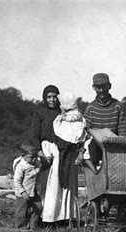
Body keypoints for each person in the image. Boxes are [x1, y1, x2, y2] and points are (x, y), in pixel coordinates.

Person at [29, 84, 79, 224]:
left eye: (54, 97)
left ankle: (64, 218)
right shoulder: (39, 113)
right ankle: (47, 217)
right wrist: (40, 152)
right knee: (49, 184)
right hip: (46, 150)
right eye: (48, 97)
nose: (52, 100)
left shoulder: (65, 113)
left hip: (63, 150)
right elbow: (34, 135)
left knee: (63, 184)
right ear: (45, 98)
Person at [83, 73, 126, 166]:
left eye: (104, 86)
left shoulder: (118, 106)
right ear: (94, 88)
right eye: (98, 87)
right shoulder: (90, 108)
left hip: (114, 147)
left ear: (109, 86)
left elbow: (122, 131)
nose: (101, 90)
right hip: (95, 150)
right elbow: (85, 133)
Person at [53, 92, 97, 173]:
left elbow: (74, 118)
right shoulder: (66, 113)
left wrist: (65, 118)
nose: (60, 106)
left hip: (79, 137)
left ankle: (93, 170)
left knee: (85, 157)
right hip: (72, 140)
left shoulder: (76, 113)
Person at [13, 141, 42, 229]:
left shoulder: (36, 162)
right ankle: (21, 227)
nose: (34, 159)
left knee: (38, 208)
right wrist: (23, 192)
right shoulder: (21, 166)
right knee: (22, 211)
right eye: (31, 157)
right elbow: (17, 181)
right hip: (23, 193)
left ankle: (33, 226)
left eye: (36, 156)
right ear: (23, 156)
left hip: (34, 191)